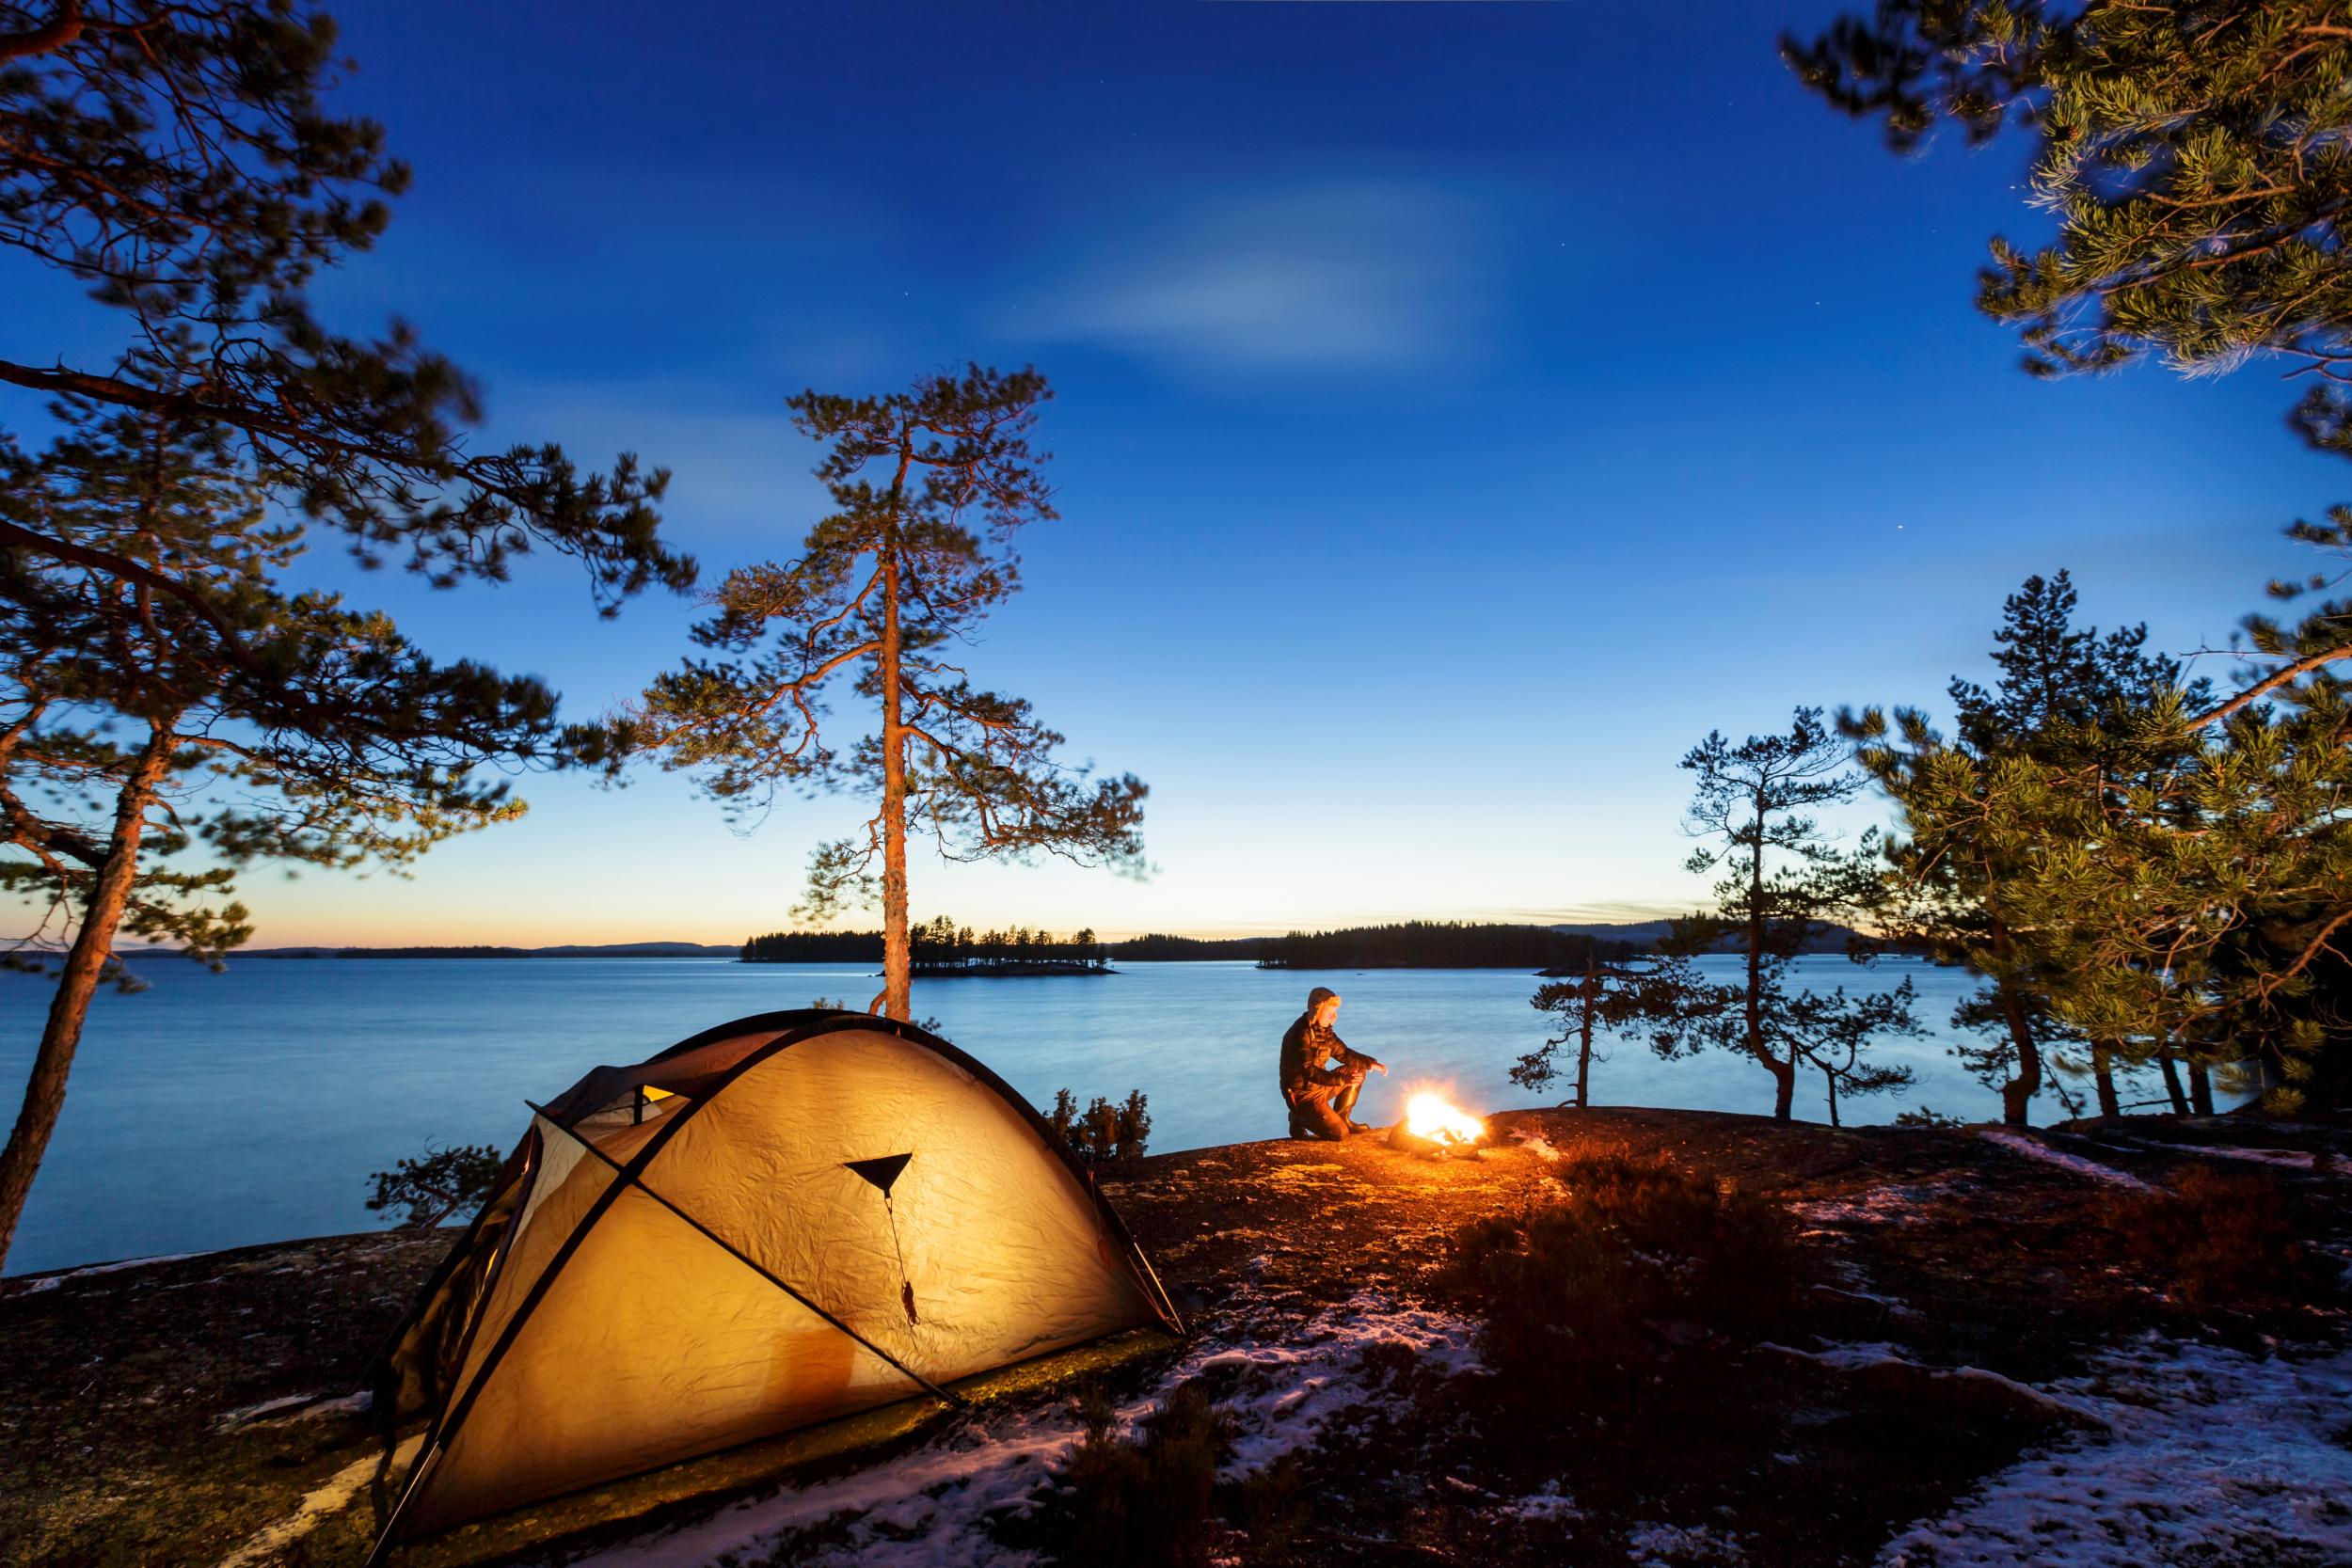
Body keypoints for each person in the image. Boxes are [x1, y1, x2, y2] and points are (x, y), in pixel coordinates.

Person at [1279, 986, 1387, 1140]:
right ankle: (1298, 1117)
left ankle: (1343, 1117)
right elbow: (1308, 1070)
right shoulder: (1299, 1035)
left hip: (1319, 1086)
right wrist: (1342, 1079)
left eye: (1335, 1013)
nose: (1334, 1017)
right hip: (1302, 1095)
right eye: (1329, 1013)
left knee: (1357, 1070)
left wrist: (1370, 1063)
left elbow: (1344, 1053)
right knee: (1339, 1134)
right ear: (1317, 1011)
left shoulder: (1324, 1031)